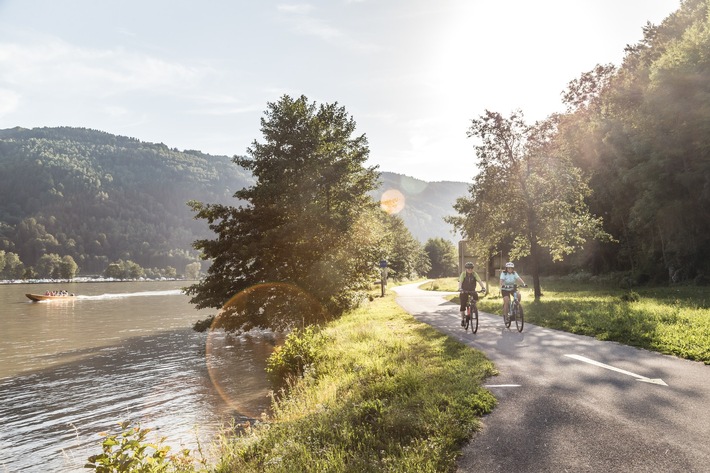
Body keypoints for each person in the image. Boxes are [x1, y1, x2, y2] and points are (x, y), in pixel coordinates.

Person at [458, 262, 486, 326]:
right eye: (468, 268)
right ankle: (462, 319)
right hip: (464, 290)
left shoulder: (474, 274)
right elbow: (460, 282)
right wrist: (460, 288)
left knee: (476, 297)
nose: (470, 269)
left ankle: (473, 308)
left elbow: (479, 281)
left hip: (472, 290)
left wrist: (483, 287)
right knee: (462, 305)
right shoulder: (463, 274)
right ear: (466, 268)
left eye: (471, 268)